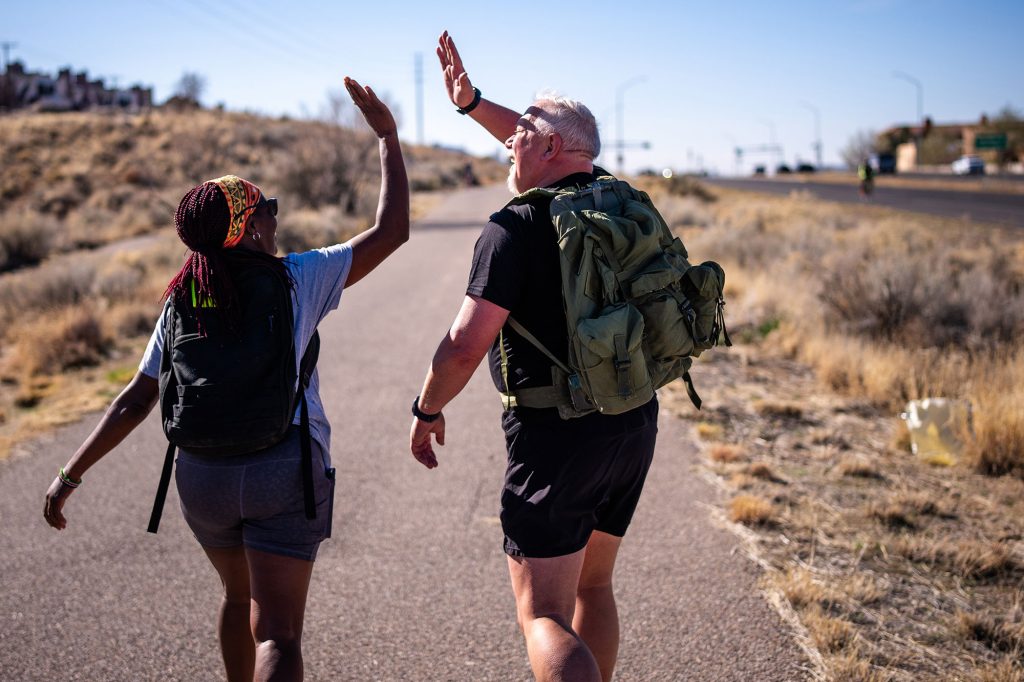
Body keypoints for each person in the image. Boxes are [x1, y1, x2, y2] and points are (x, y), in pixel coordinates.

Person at [43, 77, 408, 682]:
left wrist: (68, 475)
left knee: (238, 602)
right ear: (248, 227)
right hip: (281, 471)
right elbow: (391, 231)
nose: (276, 215)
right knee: (280, 635)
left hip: (201, 478)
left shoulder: (183, 295)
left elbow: (137, 398)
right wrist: (388, 138)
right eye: (267, 208)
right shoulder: (298, 278)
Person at [409, 32, 659, 682]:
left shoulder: (512, 228)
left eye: (519, 131)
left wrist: (427, 406)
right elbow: (548, 145)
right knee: (594, 589)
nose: (509, 139)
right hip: (631, 419)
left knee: (543, 614)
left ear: (547, 147)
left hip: (557, 436)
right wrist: (472, 104)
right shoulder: (617, 202)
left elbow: (466, 345)